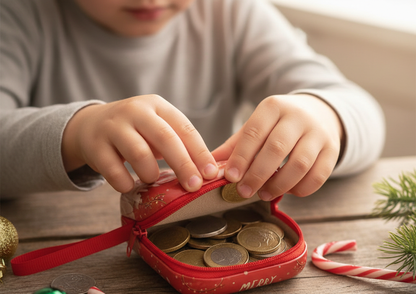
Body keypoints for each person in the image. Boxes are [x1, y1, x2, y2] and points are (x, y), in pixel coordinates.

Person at [0, 0, 385, 201]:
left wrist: (326, 114)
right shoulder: (19, 14)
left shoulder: (230, 11)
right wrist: (77, 132)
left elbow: (361, 109)